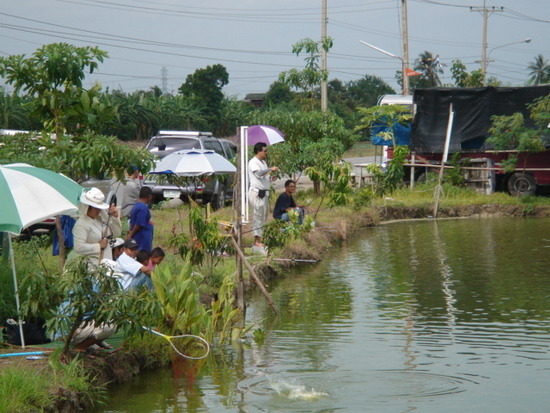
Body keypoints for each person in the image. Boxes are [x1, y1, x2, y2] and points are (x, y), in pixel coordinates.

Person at [69, 187, 122, 265]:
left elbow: (117, 232)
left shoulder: (100, 219)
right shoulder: (81, 224)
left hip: (105, 261)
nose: (98, 211)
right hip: (92, 265)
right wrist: (98, 246)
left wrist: (114, 217)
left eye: (99, 208)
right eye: (95, 208)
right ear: (87, 207)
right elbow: (78, 247)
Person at [248, 142, 279, 247]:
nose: (266, 153)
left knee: (263, 217)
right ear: (258, 151)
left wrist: (272, 178)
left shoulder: (263, 163)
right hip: (256, 193)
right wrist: (271, 169)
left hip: (264, 193)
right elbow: (258, 174)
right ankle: (257, 241)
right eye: (264, 151)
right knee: (257, 216)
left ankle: (260, 239)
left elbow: (264, 176)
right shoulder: (253, 162)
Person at [127, 186, 154, 253]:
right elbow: (139, 223)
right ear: (149, 196)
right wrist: (131, 234)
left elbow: (131, 221)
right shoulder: (143, 207)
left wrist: (130, 231)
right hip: (142, 238)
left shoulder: (136, 206)